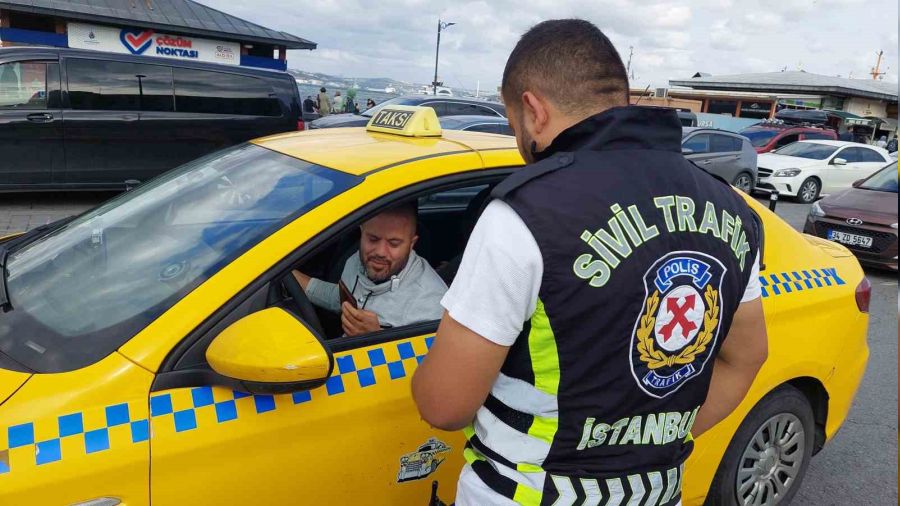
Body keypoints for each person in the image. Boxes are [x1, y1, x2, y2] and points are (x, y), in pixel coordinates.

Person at [412, 19, 767, 506]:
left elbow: (444, 405)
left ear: (533, 110)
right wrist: (650, 446)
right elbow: (747, 356)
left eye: (514, 121)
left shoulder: (524, 214)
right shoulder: (733, 210)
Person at [293, 203, 447, 337]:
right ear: (361, 233)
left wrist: (376, 337)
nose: (380, 252)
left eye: (393, 243)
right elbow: (339, 299)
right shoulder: (356, 260)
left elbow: (433, 367)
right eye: (373, 239)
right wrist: (288, 275)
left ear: (412, 244)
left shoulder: (431, 305)